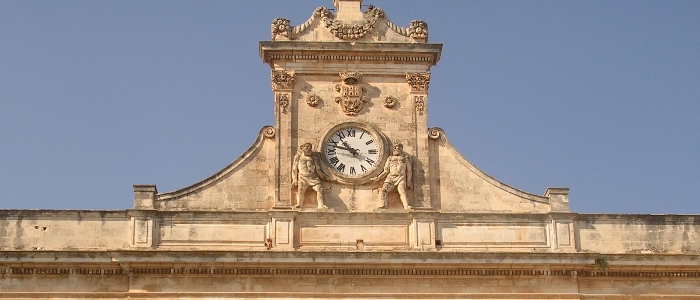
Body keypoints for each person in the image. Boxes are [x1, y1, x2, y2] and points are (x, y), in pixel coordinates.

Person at [371, 142, 412, 209]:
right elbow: (386, 171)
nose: (395, 149)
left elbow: (409, 170)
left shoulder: (405, 158)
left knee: (401, 190)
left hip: (401, 176)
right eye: (394, 148)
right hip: (390, 177)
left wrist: (408, 181)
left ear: (401, 149)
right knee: (384, 190)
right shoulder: (390, 158)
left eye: (397, 147)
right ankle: (383, 205)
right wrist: (378, 178)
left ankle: (406, 206)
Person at [291, 143, 328, 209]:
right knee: (300, 190)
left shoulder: (314, 158)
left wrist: (325, 177)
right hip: (302, 177)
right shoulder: (298, 157)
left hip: (313, 177)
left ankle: (320, 205)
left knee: (320, 189)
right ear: (302, 148)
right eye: (307, 147)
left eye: (310, 147)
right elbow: (294, 169)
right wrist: (294, 179)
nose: (308, 148)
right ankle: (299, 204)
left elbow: (318, 169)